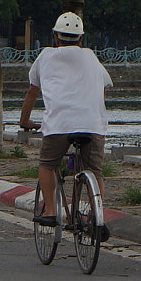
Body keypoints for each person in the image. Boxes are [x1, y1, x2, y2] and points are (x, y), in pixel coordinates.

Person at [17, 12, 112, 232]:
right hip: (93, 125)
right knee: (95, 170)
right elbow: (104, 88)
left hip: (59, 125)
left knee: (48, 164)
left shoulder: (46, 56)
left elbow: (32, 92)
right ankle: (97, 218)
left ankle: (51, 211)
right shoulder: (90, 56)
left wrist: (25, 121)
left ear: (56, 37)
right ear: (80, 39)